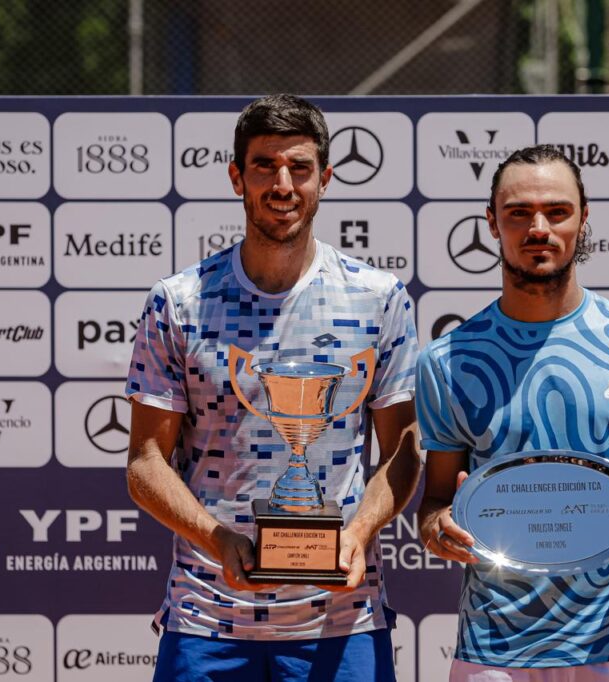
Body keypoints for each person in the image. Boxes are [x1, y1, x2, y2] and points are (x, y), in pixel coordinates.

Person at [126, 93, 420, 681]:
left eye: (299, 168)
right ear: (237, 177)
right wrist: (217, 539)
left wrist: (358, 533)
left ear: (325, 179)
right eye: (265, 166)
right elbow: (145, 461)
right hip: (207, 618)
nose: (282, 185)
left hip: (340, 620)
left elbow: (403, 452)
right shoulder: (180, 301)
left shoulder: (377, 299)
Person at [416, 144, 609, 681]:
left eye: (557, 211)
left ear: (583, 219)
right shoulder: (448, 360)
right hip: (495, 650)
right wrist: (439, 528)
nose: (539, 228)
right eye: (519, 213)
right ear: (492, 223)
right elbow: (436, 501)